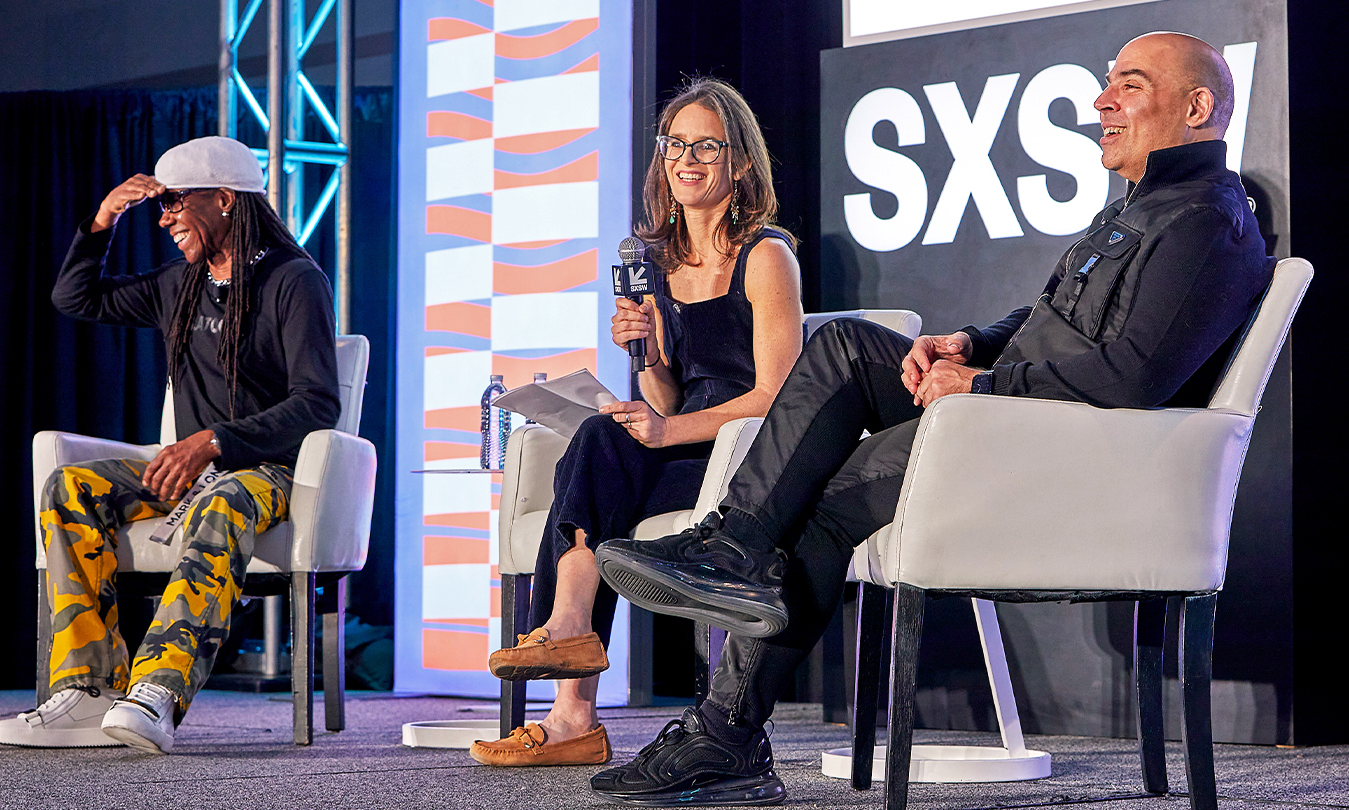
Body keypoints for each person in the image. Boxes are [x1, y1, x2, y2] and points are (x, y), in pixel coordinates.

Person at [590, 32, 1274, 805]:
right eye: (1107, 81)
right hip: (1011, 416)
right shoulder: (1143, 204)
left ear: (1197, 106)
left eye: (1131, 86)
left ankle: (724, 735)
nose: (1101, 101)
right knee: (846, 347)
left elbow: (1135, 377)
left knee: (819, 506)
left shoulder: (1204, 220)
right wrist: (966, 343)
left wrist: (980, 384)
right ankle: (733, 547)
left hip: (1043, 443)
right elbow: (1051, 319)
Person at [468, 78, 805, 767]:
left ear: (740, 161)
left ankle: (572, 705)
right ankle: (570, 659)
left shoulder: (766, 255)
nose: (686, 160)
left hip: (749, 453)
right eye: (674, 145)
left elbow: (777, 397)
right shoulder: (656, 261)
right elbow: (667, 395)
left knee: (601, 462)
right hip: (688, 440)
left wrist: (664, 431)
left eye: (706, 146)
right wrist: (648, 352)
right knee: (598, 438)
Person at [0, 136, 340, 755]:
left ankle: (157, 689)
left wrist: (215, 441)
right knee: (69, 487)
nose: (164, 218)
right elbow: (75, 297)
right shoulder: (179, 283)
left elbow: (317, 402)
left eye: (175, 201)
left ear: (224, 198)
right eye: (160, 205)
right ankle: (88, 688)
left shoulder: (294, 280)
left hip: (269, 473)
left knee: (227, 498)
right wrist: (102, 220)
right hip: (189, 471)